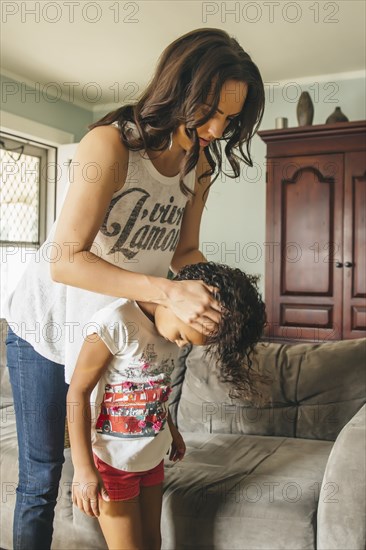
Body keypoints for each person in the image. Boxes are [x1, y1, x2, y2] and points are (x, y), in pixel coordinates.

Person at [4, 27, 265, 549]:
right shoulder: (111, 145)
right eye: (210, 110)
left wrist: (221, 296)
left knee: (109, 465)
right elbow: (65, 260)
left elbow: (185, 253)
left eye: (230, 119)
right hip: (45, 325)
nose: (217, 127)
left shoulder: (200, 165)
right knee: (41, 477)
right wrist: (166, 292)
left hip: (108, 326)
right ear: (179, 89)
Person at [67, 261, 268, 550]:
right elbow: (78, 392)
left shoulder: (169, 335)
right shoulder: (116, 321)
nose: (183, 345)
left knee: (153, 544)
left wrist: (170, 429)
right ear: (185, 302)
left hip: (151, 458)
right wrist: (83, 468)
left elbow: (154, 387)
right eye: (185, 337)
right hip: (112, 461)